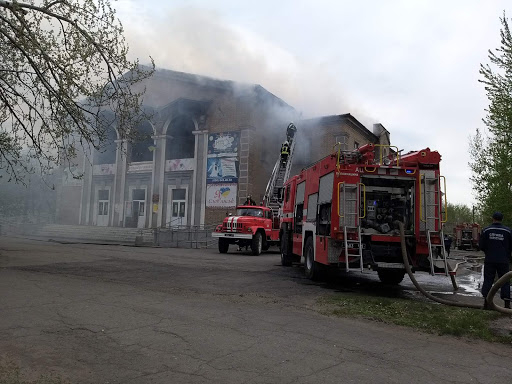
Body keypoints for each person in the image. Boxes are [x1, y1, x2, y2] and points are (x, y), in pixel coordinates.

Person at [479, 212, 512, 309]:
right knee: (505, 281)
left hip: (490, 260)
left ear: (492, 218)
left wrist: (489, 252)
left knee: (488, 280)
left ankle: (486, 303)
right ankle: (507, 304)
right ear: (502, 219)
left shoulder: (486, 230)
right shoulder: (508, 231)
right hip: (503, 260)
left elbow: (481, 246)